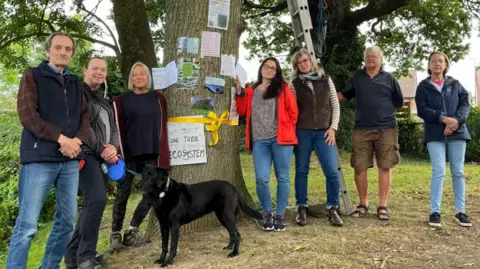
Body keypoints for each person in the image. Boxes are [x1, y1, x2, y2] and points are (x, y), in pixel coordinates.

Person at [6, 32, 90, 269]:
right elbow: (28, 115)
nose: (63, 52)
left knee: (66, 221)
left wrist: (76, 142)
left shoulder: (75, 83)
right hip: (39, 159)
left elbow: (85, 119)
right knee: (28, 225)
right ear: (48, 51)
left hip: (70, 161)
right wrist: (62, 138)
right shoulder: (32, 76)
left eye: (68, 49)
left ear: (72, 54)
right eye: (58, 48)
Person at [64, 57, 120, 269]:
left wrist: (113, 148)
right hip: (85, 154)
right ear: (85, 69)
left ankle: (72, 257)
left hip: (103, 157)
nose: (99, 72)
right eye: (95, 68)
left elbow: (113, 128)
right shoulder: (77, 92)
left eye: (103, 69)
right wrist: (102, 150)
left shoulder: (104, 100)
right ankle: (86, 257)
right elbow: (82, 125)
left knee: (92, 203)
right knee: (96, 201)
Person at [109, 62, 170, 252]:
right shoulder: (121, 100)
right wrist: (116, 152)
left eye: (143, 74)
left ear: (148, 77)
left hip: (152, 155)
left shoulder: (158, 98)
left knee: (151, 194)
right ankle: (115, 234)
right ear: (131, 79)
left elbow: (163, 125)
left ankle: (132, 231)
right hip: (127, 156)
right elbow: (115, 128)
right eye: (135, 74)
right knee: (122, 194)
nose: (139, 77)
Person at [337, 45, 403, 221]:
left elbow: (398, 103)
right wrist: (324, 96)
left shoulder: (389, 79)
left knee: (385, 166)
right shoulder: (357, 77)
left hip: (386, 129)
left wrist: (382, 113)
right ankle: (363, 203)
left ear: (381, 59)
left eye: (374, 56)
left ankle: (383, 205)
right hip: (362, 129)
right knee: (359, 167)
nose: (370, 59)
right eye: (367, 56)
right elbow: (344, 95)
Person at [235, 57, 298, 232]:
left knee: (283, 177)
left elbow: (293, 113)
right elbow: (241, 111)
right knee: (262, 179)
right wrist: (239, 92)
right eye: (266, 66)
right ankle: (268, 213)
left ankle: (279, 215)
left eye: (273, 68)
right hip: (260, 141)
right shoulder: (251, 91)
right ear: (261, 68)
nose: (269, 70)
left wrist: (286, 129)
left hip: (281, 140)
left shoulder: (283, 89)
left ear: (277, 72)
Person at [415, 51, 472, 228]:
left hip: (457, 132)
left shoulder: (456, 84)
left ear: (446, 64)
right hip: (434, 134)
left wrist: (455, 121)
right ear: (429, 64)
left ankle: (460, 212)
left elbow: (465, 104)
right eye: (434, 61)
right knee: (438, 171)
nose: (437, 64)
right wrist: (443, 118)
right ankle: (435, 212)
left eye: (441, 61)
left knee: (458, 172)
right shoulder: (423, 86)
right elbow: (422, 110)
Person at [290, 48, 343, 227]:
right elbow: (291, 109)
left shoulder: (326, 80)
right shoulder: (294, 84)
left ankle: (333, 208)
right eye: (300, 62)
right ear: (296, 66)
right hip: (303, 132)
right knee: (301, 170)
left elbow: (335, 106)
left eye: (306, 60)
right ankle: (302, 207)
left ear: (312, 62)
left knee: (331, 171)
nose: (304, 64)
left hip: (324, 132)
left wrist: (333, 128)